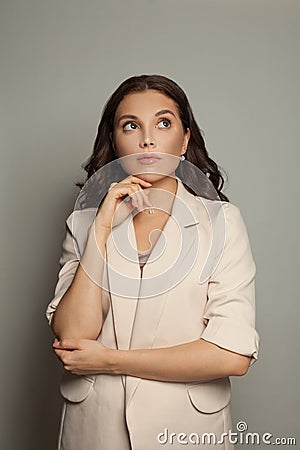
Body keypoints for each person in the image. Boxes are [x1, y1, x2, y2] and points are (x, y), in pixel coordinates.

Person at [45, 74, 259, 450]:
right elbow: (73, 338)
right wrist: (102, 229)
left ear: (185, 139)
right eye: (131, 125)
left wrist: (110, 361)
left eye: (163, 123)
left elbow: (232, 354)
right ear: (115, 141)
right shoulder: (84, 223)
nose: (147, 139)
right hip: (95, 433)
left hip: (186, 432)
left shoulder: (223, 223)